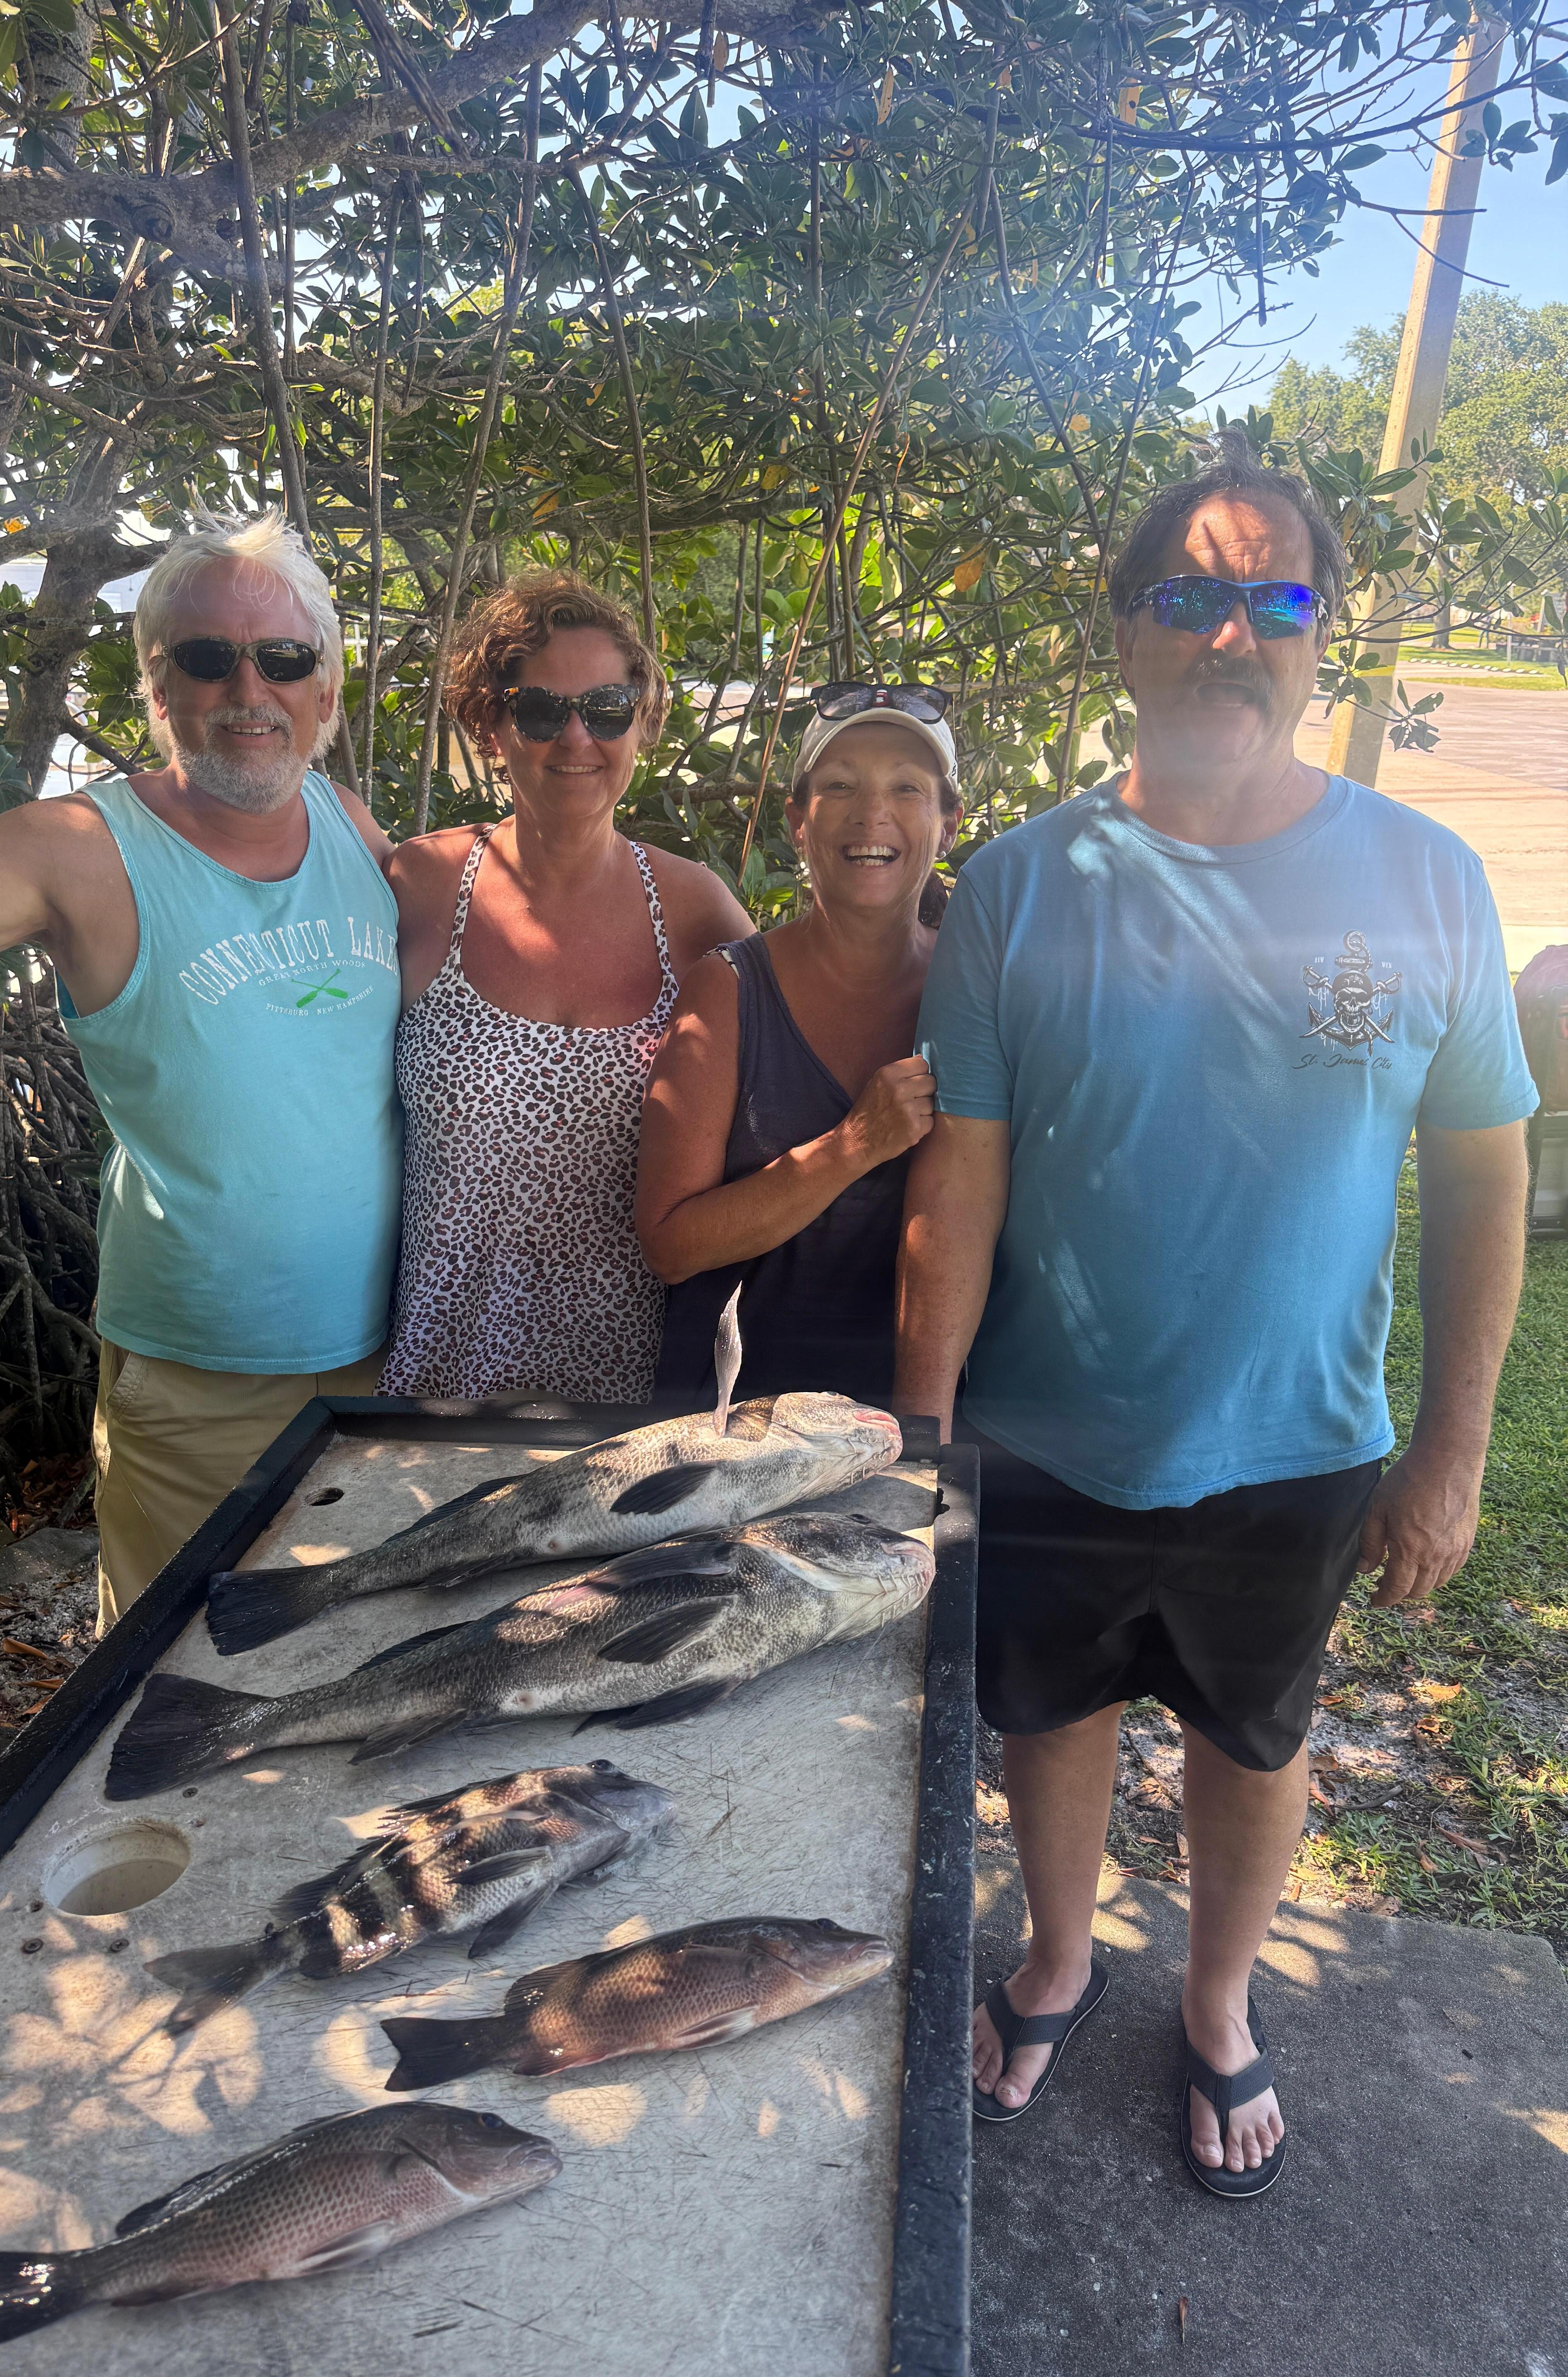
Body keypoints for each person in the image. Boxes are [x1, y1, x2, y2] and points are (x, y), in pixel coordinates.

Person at [893, 436, 1536, 2196]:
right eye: (1188, 596)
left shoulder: (1425, 884)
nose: (1229, 635)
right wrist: (922, 1437)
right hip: (1048, 1426)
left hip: (1302, 1436)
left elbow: (1486, 1174)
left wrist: (1455, 1450)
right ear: (1126, 635)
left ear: (1324, 634)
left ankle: (1224, 1997)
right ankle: (1056, 1958)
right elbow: (964, 1179)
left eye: (1274, 597)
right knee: (1055, 1718)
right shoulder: (1025, 885)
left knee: (1259, 1739)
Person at [0, 512, 403, 1632]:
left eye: (284, 658)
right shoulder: (76, 847)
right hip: (204, 1372)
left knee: (348, 1658)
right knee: (173, 1682)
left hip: (390, 1352)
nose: (247, 690)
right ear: (155, 687)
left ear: (326, 687)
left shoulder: (350, 822)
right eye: (206, 657)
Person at [381, 571, 751, 1405]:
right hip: (440, 1384)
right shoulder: (422, 882)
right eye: (543, 710)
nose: (577, 738)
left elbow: (793, 1070)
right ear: (491, 725)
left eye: (608, 711)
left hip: (639, 1400)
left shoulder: (697, 912)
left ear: (644, 725)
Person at [637, 687, 963, 1403]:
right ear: (798, 820)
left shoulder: (979, 990)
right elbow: (670, 1243)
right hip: (735, 1424)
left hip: (916, 1423)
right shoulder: (727, 990)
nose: (871, 814)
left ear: (947, 826)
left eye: (907, 788)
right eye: (840, 784)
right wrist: (853, 1145)